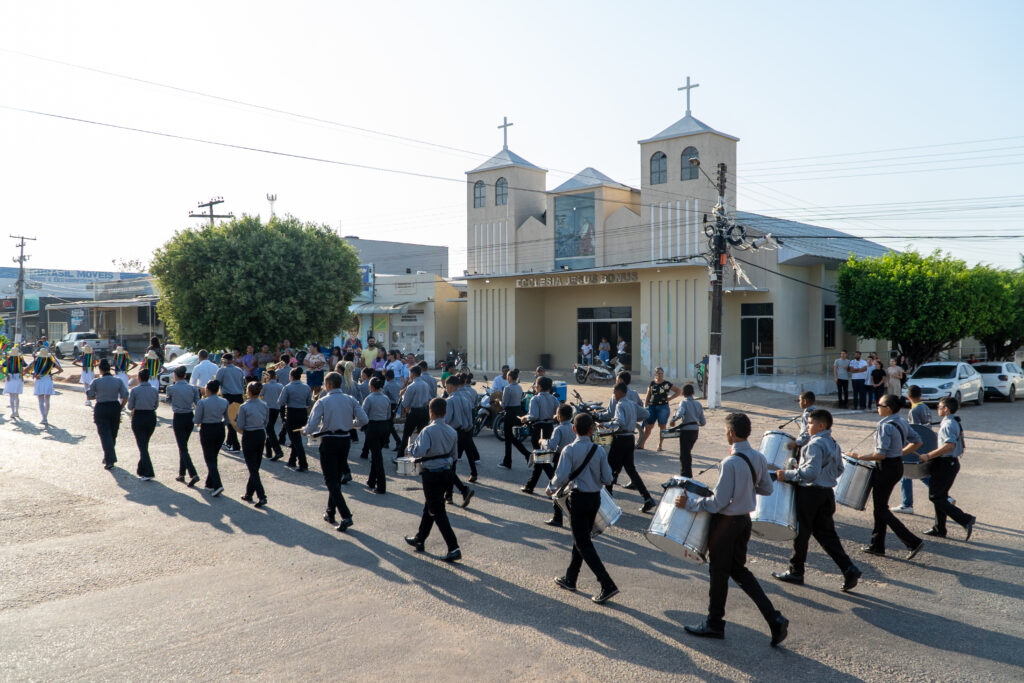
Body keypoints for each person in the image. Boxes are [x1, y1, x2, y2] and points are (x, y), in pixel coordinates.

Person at [676, 412, 789, 646]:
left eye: (726, 430)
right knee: (739, 572)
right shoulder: (758, 457)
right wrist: (744, 492)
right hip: (743, 522)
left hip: (726, 525)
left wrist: (690, 503)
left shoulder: (730, 462)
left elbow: (717, 503)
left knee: (718, 574)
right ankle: (774, 618)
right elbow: (766, 489)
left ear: (731, 432)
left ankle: (715, 624)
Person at [772, 409, 862, 591]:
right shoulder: (833, 443)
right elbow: (839, 469)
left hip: (810, 494)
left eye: (810, 423)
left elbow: (810, 473)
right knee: (827, 535)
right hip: (826, 494)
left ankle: (796, 572)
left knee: (801, 533)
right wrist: (824, 477)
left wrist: (787, 474)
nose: (807, 426)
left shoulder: (814, 444)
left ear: (821, 425)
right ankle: (849, 568)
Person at [545, 412, 618, 604]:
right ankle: (571, 578)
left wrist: (550, 489)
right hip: (595, 499)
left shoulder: (569, 450)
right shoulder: (599, 450)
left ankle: (606, 583)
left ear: (573, 429)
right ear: (592, 430)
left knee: (583, 542)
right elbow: (608, 479)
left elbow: (561, 476)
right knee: (581, 539)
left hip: (578, 498)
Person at [848, 394, 925, 559]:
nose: (877, 407)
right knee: (880, 508)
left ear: (888, 408)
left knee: (881, 509)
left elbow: (880, 454)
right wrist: (900, 453)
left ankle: (912, 541)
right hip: (896, 466)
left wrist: (859, 456)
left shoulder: (885, 426)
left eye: (879, 404)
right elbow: (918, 442)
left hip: (886, 468)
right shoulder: (901, 421)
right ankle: (877, 545)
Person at [307, 372, 368, 532]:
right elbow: (364, 420)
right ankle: (330, 512)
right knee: (336, 478)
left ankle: (345, 515)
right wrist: (350, 423)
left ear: (328, 385)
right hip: (344, 441)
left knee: (330, 480)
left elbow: (312, 425)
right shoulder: (350, 399)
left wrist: (306, 431)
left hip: (329, 441)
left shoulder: (323, 401)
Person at [404, 397, 462, 562]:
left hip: (432, 474)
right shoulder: (452, 431)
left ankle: (454, 547)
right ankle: (420, 539)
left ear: (431, 412)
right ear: (445, 412)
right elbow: (455, 456)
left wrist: (409, 449)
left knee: (437, 511)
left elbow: (420, 451)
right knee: (430, 506)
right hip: (446, 473)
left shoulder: (427, 431)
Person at [918, 397, 976, 540]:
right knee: (941, 496)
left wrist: (928, 455)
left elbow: (949, 445)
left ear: (946, 409)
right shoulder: (951, 421)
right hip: (947, 463)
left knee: (935, 496)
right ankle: (940, 529)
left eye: (940, 406)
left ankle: (965, 519)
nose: (938, 408)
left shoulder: (948, 424)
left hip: (946, 464)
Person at [600, 383, 656, 512]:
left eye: (614, 392)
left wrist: (606, 424)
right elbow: (646, 414)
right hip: (630, 439)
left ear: (620, 392)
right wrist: (634, 419)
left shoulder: (620, 404)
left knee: (610, 469)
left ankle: (608, 503)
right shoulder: (631, 403)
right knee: (630, 470)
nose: (613, 395)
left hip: (620, 439)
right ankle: (647, 498)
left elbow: (619, 422)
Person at [87, 359, 129, 469]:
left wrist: (99, 395)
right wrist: (120, 407)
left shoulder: (96, 381)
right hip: (114, 406)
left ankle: (109, 459)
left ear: (100, 369)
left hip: (101, 407)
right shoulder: (118, 381)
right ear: (110, 368)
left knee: (105, 435)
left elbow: (90, 396)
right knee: (113, 434)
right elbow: (125, 396)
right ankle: (108, 456)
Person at [442, 376, 476, 507]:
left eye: (446, 386)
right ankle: (449, 495)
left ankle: (462, 490)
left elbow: (447, 420)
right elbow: (470, 419)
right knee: (452, 465)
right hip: (465, 433)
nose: (446, 389)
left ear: (451, 386)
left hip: (453, 433)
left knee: (449, 466)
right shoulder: (466, 399)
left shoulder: (449, 401)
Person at [522, 375, 560, 493]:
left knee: (542, 459)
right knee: (540, 459)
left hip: (539, 430)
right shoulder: (554, 399)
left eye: (536, 385)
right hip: (550, 429)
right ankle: (530, 486)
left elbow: (534, 416)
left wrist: (524, 418)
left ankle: (557, 484)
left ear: (540, 387)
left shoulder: (535, 399)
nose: (535, 387)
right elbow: (557, 415)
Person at [541, 403, 576, 527]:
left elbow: (551, 445)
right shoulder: (574, 427)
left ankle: (557, 517)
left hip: (561, 458)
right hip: (574, 460)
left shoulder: (558, 429)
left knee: (557, 487)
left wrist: (543, 441)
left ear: (560, 416)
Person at [166, 365, 201, 486]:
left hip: (179, 417)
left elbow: (168, 400)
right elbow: (198, 403)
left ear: (175, 376)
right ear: (185, 376)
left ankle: (193, 473)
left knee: (183, 447)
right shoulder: (193, 388)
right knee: (183, 445)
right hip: (189, 416)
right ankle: (181, 473)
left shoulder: (171, 388)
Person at [236, 381, 270, 507]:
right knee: (255, 466)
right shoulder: (264, 405)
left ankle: (262, 496)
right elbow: (266, 422)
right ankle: (249, 493)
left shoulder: (244, 407)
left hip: (249, 435)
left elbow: (240, 425)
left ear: (248, 392)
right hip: (261, 434)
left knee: (252, 468)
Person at [194, 379, 229, 497]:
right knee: (213, 457)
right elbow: (227, 420)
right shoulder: (224, 401)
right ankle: (210, 484)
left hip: (207, 429)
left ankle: (218, 484)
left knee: (209, 459)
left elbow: (197, 420)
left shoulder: (202, 402)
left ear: (208, 390)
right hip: (219, 428)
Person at [279, 366, 313, 471]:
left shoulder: (288, 387)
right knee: (296, 438)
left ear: (291, 377)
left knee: (296, 440)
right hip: (302, 413)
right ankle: (292, 461)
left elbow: (281, 402)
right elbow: (309, 402)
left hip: (292, 413)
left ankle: (303, 463)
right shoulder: (306, 387)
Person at [638, 367, 681, 451]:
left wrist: (670, 399)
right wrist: (645, 407)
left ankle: (660, 445)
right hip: (651, 406)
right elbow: (648, 396)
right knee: (648, 426)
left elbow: (678, 391)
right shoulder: (652, 383)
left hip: (663, 407)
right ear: (655, 374)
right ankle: (642, 444)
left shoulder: (667, 384)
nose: (660, 375)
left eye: (662, 373)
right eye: (659, 373)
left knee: (662, 426)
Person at [128, 368, 159, 481]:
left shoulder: (135, 391)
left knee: (142, 445)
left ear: (139, 378)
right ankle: (141, 469)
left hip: (139, 417)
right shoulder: (154, 390)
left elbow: (130, 407)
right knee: (144, 444)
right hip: (151, 416)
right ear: (149, 378)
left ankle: (148, 471)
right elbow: (156, 405)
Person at [668, 383, 706, 477]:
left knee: (684, 456)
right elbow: (703, 422)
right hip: (695, 432)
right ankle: (686, 475)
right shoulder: (698, 404)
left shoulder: (683, 403)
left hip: (686, 431)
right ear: (693, 393)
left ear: (682, 394)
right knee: (687, 453)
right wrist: (694, 421)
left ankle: (686, 476)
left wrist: (673, 419)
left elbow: (680, 413)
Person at [362, 376, 392, 494]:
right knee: (376, 454)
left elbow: (363, 415)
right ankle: (371, 480)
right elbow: (389, 415)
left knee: (377, 457)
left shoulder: (369, 398)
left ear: (372, 386)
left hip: (373, 427)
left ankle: (381, 485)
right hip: (384, 426)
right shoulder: (386, 398)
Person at [500, 368, 532, 468]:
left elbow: (504, 405)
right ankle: (526, 454)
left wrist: (498, 401)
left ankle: (508, 462)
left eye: (507, 376)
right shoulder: (519, 387)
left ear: (509, 377)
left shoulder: (507, 388)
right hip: (517, 413)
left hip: (509, 414)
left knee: (508, 440)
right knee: (511, 438)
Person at [398, 365, 432, 457]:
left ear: (412, 374)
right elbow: (429, 398)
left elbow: (405, 403)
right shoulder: (426, 385)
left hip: (414, 412)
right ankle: (423, 456)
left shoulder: (412, 386)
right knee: (423, 435)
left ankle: (400, 456)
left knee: (406, 435)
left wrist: (402, 395)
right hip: (425, 411)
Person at [215, 353, 246, 453]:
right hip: (239, 397)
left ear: (225, 361)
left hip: (228, 397)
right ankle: (229, 441)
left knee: (230, 422)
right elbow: (242, 384)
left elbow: (217, 383)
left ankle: (235, 445)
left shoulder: (222, 370)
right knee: (235, 420)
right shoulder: (239, 370)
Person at [31, 346, 62, 426]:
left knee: (40, 400)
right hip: (48, 379)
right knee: (47, 400)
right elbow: (60, 370)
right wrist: (52, 374)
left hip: (39, 379)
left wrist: (34, 374)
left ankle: (43, 418)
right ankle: (45, 417)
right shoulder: (51, 361)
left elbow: (26, 369)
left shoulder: (36, 360)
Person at [259, 368, 285, 461]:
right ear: (275, 376)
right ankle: (269, 451)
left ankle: (278, 451)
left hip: (267, 408)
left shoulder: (265, 385)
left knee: (269, 430)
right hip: (276, 409)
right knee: (270, 428)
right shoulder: (280, 385)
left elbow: (260, 394)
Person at [3, 350, 27, 419]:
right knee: (17, 395)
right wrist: (22, 375)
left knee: (11, 396)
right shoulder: (20, 360)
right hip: (18, 377)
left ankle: (13, 412)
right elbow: (26, 368)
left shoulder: (8, 360)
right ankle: (16, 411)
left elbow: (1, 368)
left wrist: (6, 375)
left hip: (10, 377)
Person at [383, 369, 402, 450]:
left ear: (387, 377)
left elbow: (384, 397)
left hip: (389, 405)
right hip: (396, 405)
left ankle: (398, 441)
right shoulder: (398, 385)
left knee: (389, 425)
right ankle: (386, 442)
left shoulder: (387, 385)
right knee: (388, 424)